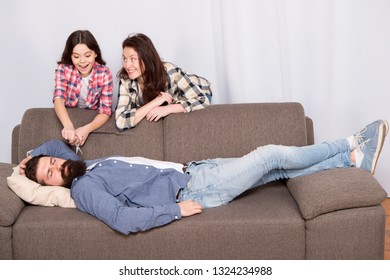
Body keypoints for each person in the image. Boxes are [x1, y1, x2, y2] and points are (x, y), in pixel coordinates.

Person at [20, 120, 388, 235]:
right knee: (270, 155)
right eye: (49, 174)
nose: (55, 167)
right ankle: (351, 142)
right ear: (52, 185)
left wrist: (30, 159)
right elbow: (121, 220)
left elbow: (56, 143)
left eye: (52, 162)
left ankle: (351, 161)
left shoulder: (82, 165)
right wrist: (177, 211)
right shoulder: (84, 187)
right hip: (197, 187)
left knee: (276, 170)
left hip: (195, 168)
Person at [115, 33, 212, 130]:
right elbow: (121, 121)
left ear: (146, 58)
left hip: (200, 91)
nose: (127, 65)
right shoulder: (126, 80)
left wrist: (167, 109)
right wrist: (156, 101)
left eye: (133, 59)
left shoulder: (169, 71)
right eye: (125, 59)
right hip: (173, 99)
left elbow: (202, 99)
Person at [53, 30, 113, 147]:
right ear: (70, 56)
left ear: (95, 53)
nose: (82, 61)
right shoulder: (63, 69)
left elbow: (105, 111)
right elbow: (58, 98)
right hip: (69, 117)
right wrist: (68, 125)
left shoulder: (105, 73)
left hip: (92, 119)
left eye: (87, 55)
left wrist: (87, 129)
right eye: (76, 56)